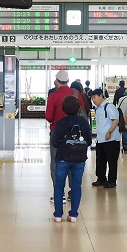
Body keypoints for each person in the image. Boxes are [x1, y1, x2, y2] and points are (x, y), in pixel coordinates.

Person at [51, 95, 92, 222]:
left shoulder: (61, 123)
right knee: (76, 186)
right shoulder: (83, 122)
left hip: (63, 158)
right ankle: (73, 214)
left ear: (63, 108)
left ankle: (58, 215)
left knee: (59, 186)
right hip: (79, 159)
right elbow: (89, 141)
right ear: (78, 108)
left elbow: (54, 142)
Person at [45, 69, 75, 203]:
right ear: (68, 81)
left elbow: (48, 116)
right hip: (73, 134)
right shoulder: (75, 93)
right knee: (72, 162)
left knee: (56, 162)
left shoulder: (53, 95)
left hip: (57, 133)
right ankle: (72, 192)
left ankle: (59, 193)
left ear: (56, 81)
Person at [90, 88, 120, 189]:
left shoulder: (109, 106)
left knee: (111, 161)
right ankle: (101, 178)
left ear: (101, 96)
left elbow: (116, 120)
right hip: (101, 139)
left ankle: (112, 181)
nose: (93, 100)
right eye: (92, 98)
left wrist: (109, 132)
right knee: (100, 160)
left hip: (111, 139)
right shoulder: (98, 108)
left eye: (94, 97)